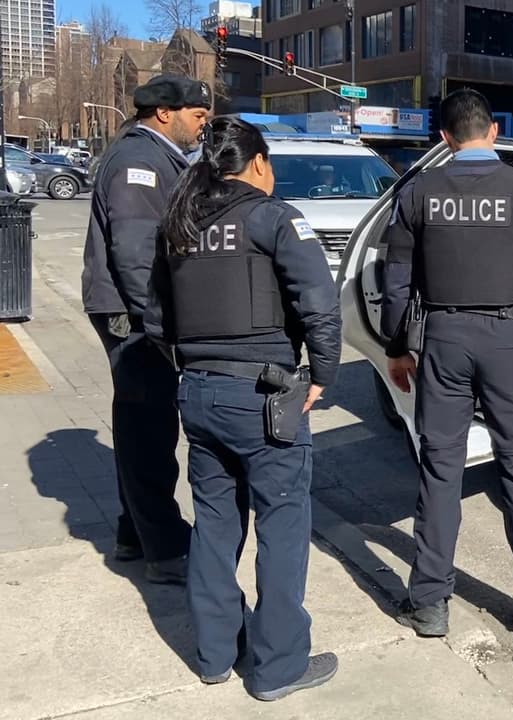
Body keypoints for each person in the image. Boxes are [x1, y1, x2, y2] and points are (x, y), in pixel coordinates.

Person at [380, 88, 513, 635]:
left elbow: (395, 279)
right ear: (493, 131)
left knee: (440, 469)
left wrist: (395, 346)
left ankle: (428, 602)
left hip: (443, 342)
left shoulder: (418, 193)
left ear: (445, 138)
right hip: (506, 341)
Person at [145, 116, 342, 701]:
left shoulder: (179, 223)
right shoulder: (273, 217)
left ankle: (213, 655)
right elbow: (320, 304)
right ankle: (278, 667)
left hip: (199, 392)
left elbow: (156, 318)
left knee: (214, 523)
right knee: (282, 525)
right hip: (263, 394)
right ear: (257, 164)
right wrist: (323, 374)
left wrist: (195, 369)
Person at [81, 74, 211, 583]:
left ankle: (134, 533)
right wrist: (159, 326)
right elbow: (136, 255)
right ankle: (165, 549)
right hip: (134, 316)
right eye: (197, 118)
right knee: (149, 429)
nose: (202, 128)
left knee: (141, 425)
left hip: (137, 313)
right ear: (165, 113)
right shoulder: (139, 162)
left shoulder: (156, 157)